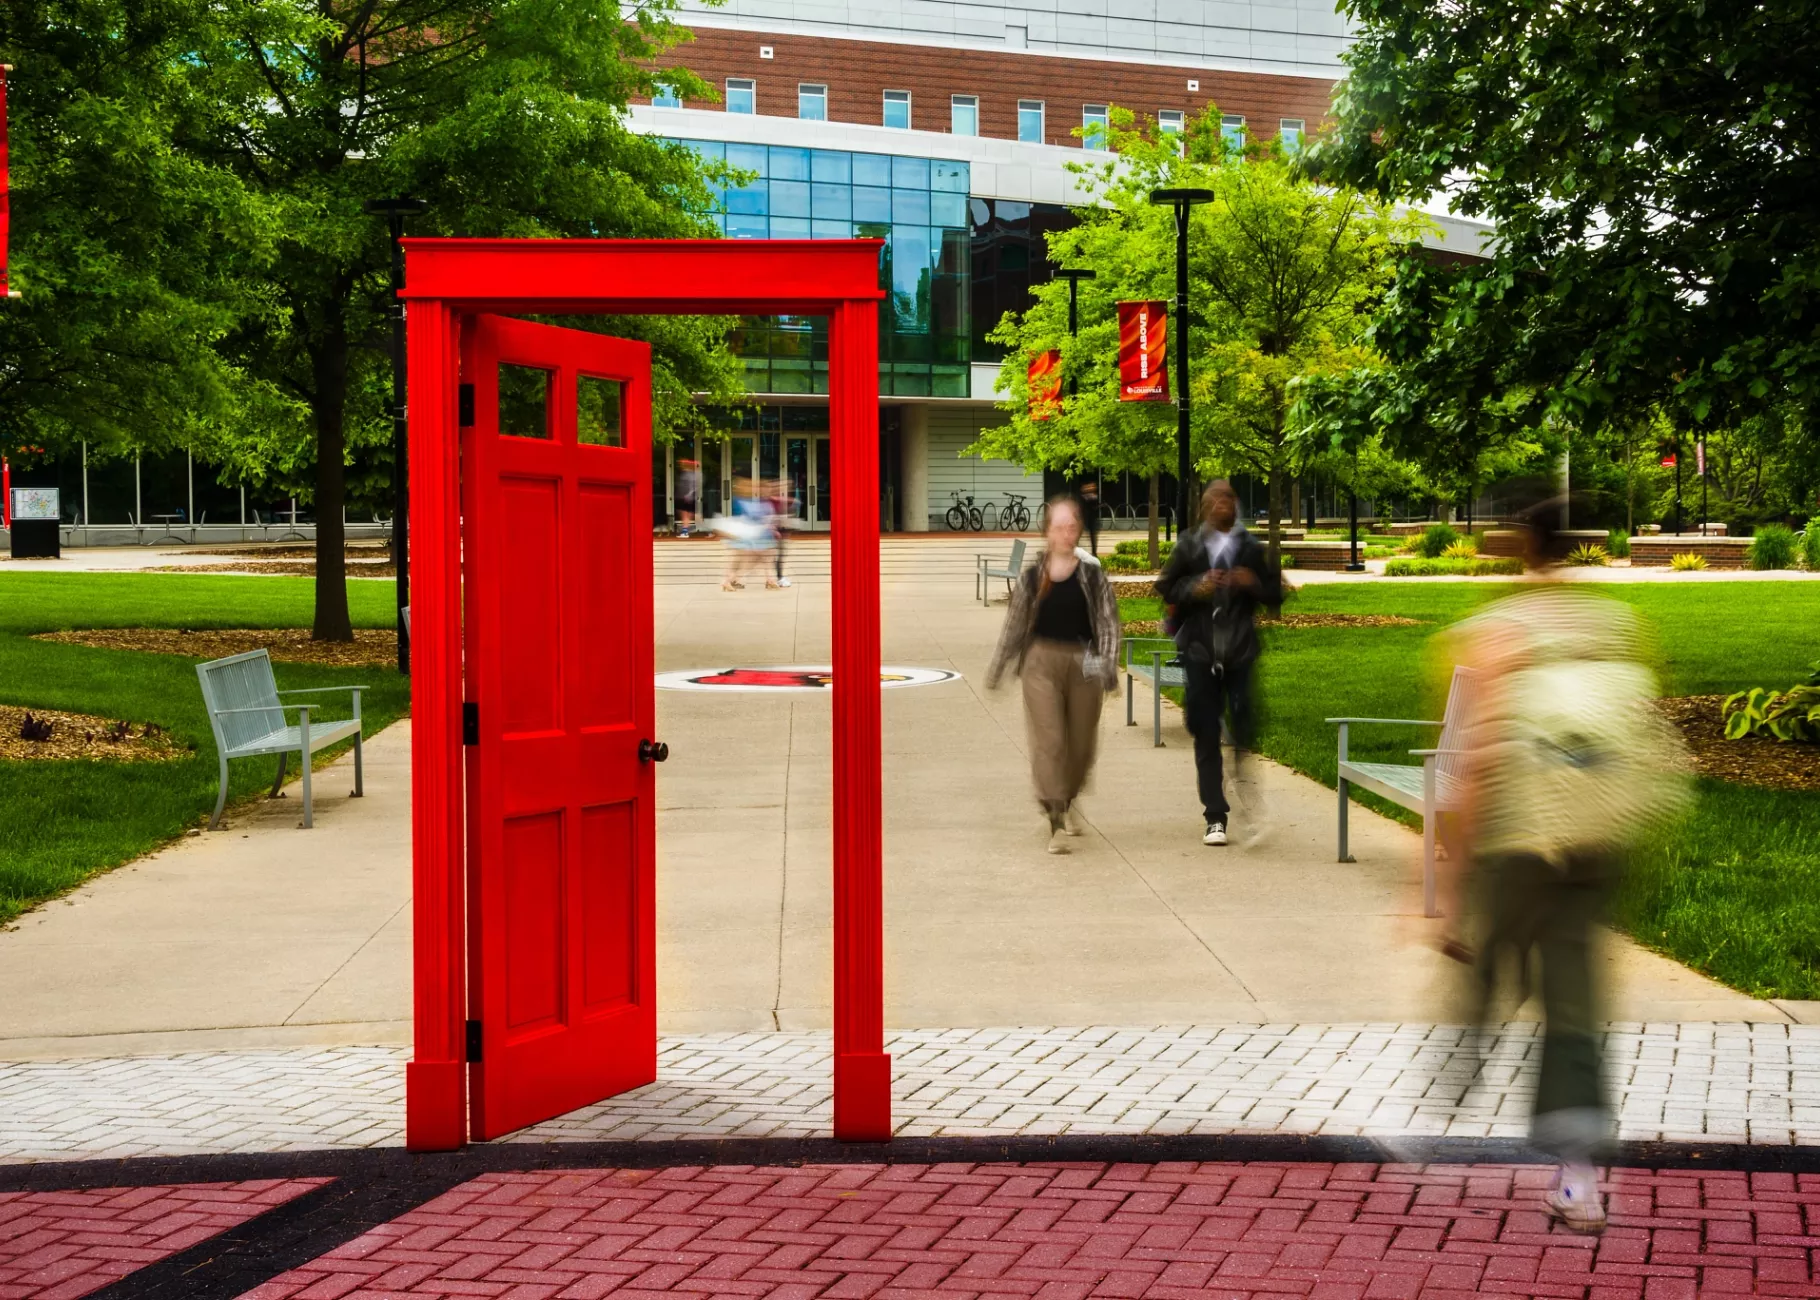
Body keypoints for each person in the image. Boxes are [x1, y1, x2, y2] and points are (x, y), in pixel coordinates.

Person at [1444, 512, 1688, 1234]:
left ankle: (1461, 1060)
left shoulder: (1495, 635)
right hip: (1596, 839)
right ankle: (1579, 1179)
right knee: (1572, 1000)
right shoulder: (1613, 625)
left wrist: (1441, 891)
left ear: (1519, 551)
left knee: (1489, 954)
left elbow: (1465, 771)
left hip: (1522, 839)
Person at [985, 495, 1121, 854]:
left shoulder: (1091, 575)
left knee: (1080, 746)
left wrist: (1107, 664)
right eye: (1058, 527)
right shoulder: (1033, 577)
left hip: (1083, 664)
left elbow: (1108, 623)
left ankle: (1069, 795)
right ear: (1047, 532)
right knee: (1050, 741)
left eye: (1071, 526)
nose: (1065, 533)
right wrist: (999, 666)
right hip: (1041, 662)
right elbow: (1015, 625)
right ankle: (1055, 816)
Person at [1155, 479, 1282, 847]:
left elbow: (1276, 594)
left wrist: (1251, 582)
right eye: (1213, 499)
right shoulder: (1190, 545)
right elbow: (1166, 587)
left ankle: (1246, 791)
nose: (1220, 505)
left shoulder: (1250, 548)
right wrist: (1196, 587)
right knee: (1205, 732)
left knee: (1244, 727)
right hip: (1200, 653)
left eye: (1226, 498)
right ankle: (1215, 815)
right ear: (1204, 506)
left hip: (1240, 653)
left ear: (1235, 504)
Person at [676, 459, 700, 537]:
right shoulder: (694, 474)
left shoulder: (689, 474)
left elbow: (691, 486)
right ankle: (685, 530)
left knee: (685, 514)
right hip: (689, 497)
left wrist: (688, 495)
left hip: (687, 498)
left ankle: (685, 531)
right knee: (687, 514)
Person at [1079, 480, 1101, 556]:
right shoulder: (1085, 497)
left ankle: (1094, 552)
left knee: (1092, 537)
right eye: (1091, 486)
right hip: (1085, 520)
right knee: (1079, 536)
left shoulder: (1093, 496)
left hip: (1092, 520)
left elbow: (1095, 507)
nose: (1093, 487)